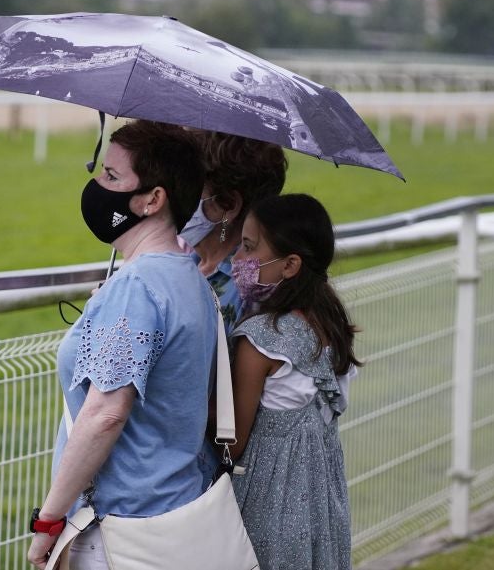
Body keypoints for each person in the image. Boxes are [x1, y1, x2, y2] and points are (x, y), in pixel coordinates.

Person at [27, 120, 217, 570]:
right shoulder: (190, 276)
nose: (96, 187)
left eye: (112, 178)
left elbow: (105, 414)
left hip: (123, 532)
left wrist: (49, 522)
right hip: (178, 514)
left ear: (152, 200)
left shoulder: (137, 287)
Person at [228, 193, 359, 570]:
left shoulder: (260, 341)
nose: (238, 261)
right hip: (321, 507)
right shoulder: (328, 328)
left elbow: (232, 442)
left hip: (267, 506)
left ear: (290, 265)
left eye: (249, 248)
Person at [179, 131, 287, 335]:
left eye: (188, 190)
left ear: (229, 205)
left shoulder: (252, 288)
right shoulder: (188, 261)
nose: (175, 199)